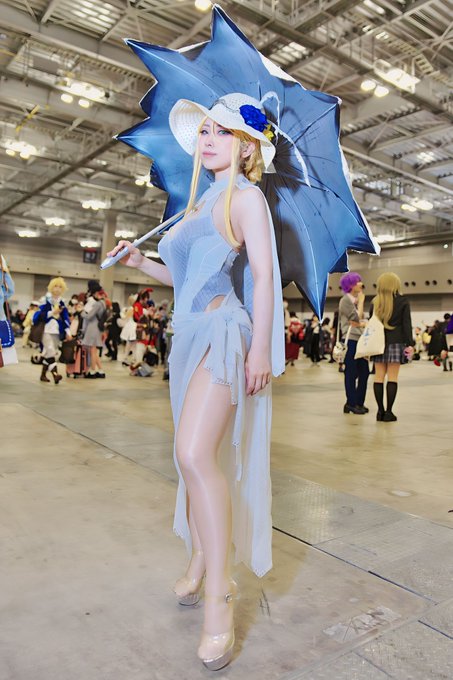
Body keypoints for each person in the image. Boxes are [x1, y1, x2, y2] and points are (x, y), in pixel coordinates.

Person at [107, 92, 285, 671]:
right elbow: (184, 279)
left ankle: (220, 596)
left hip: (224, 334)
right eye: (205, 130)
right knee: (192, 459)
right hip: (186, 337)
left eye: (223, 131)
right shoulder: (200, 200)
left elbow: (263, 278)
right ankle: (203, 560)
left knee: (193, 453)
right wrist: (141, 265)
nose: (208, 139)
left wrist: (261, 348)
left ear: (248, 146)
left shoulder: (248, 199)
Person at [369, 272, 414, 421]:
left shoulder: (375, 302)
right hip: (396, 342)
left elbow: (371, 325)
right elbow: (407, 325)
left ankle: (379, 412)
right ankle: (389, 412)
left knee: (378, 376)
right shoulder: (403, 301)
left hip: (378, 343)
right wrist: (410, 344)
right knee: (393, 378)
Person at [338, 272, 369, 414]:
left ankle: (358, 402)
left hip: (360, 339)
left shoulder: (355, 301)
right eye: (357, 282)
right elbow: (356, 319)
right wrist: (361, 303)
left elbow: (359, 321)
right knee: (351, 372)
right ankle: (351, 403)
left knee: (364, 372)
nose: (360, 284)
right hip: (350, 339)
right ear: (350, 285)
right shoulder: (345, 301)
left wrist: (360, 322)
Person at [33, 277, 71, 384]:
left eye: (60, 287)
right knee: (50, 351)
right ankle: (55, 374)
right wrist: (53, 312)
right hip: (45, 330)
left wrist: (68, 332)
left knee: (50, 353)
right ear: (51, 287)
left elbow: (65, 318)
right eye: (55, 286)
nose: (57, 289)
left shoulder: (62, 302)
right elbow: (40, 316)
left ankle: (43, 375)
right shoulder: (45, 300)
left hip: (57, 331)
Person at [81, 280, 107, 379]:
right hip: (98, 328)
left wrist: (82, 313)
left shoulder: (96, 304)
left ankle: (92, 371)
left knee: (92, 351)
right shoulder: (103, 303)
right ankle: (100, 370)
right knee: (94, 351)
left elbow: (89, 316)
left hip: (92, 327)